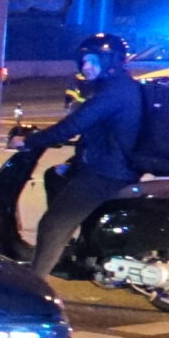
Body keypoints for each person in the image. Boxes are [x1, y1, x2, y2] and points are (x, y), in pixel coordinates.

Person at [20, 33, 145, 276]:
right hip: (106, 166)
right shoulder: (115, 87)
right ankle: (78, 248)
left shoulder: (114, 93)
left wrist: (28, 141)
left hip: (108, 174)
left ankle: (33, 285)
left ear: (110, 62)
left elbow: (72, 125)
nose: (86, 67)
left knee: (52, 224)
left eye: (93, 62)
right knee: (55, 175)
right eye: (84, 62)